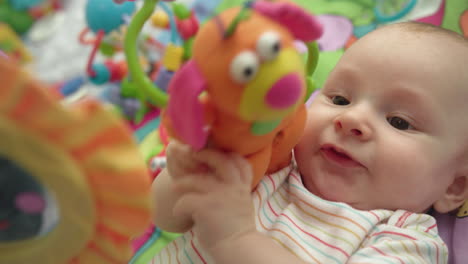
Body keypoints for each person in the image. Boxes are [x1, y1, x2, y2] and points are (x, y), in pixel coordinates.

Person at [150, 21, 468, 263]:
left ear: (454, 186)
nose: (352, 119)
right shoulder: (270, 166)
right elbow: (165, 216)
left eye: (399, 121)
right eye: (340, 98)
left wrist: (236, 238)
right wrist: (188, 168)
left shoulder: (406, 239)